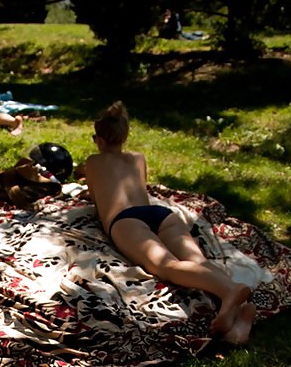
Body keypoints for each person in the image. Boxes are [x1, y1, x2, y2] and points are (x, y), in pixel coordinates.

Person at [79, 101, 257, 344]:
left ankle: (229, 291)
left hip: (126, 220)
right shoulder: (138, 159)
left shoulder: (93, 162)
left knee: (168, 266)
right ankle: (240, 313)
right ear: (125, 136)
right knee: (197, 261)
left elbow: (96, 199)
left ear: (98, 139)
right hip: (160, 214)